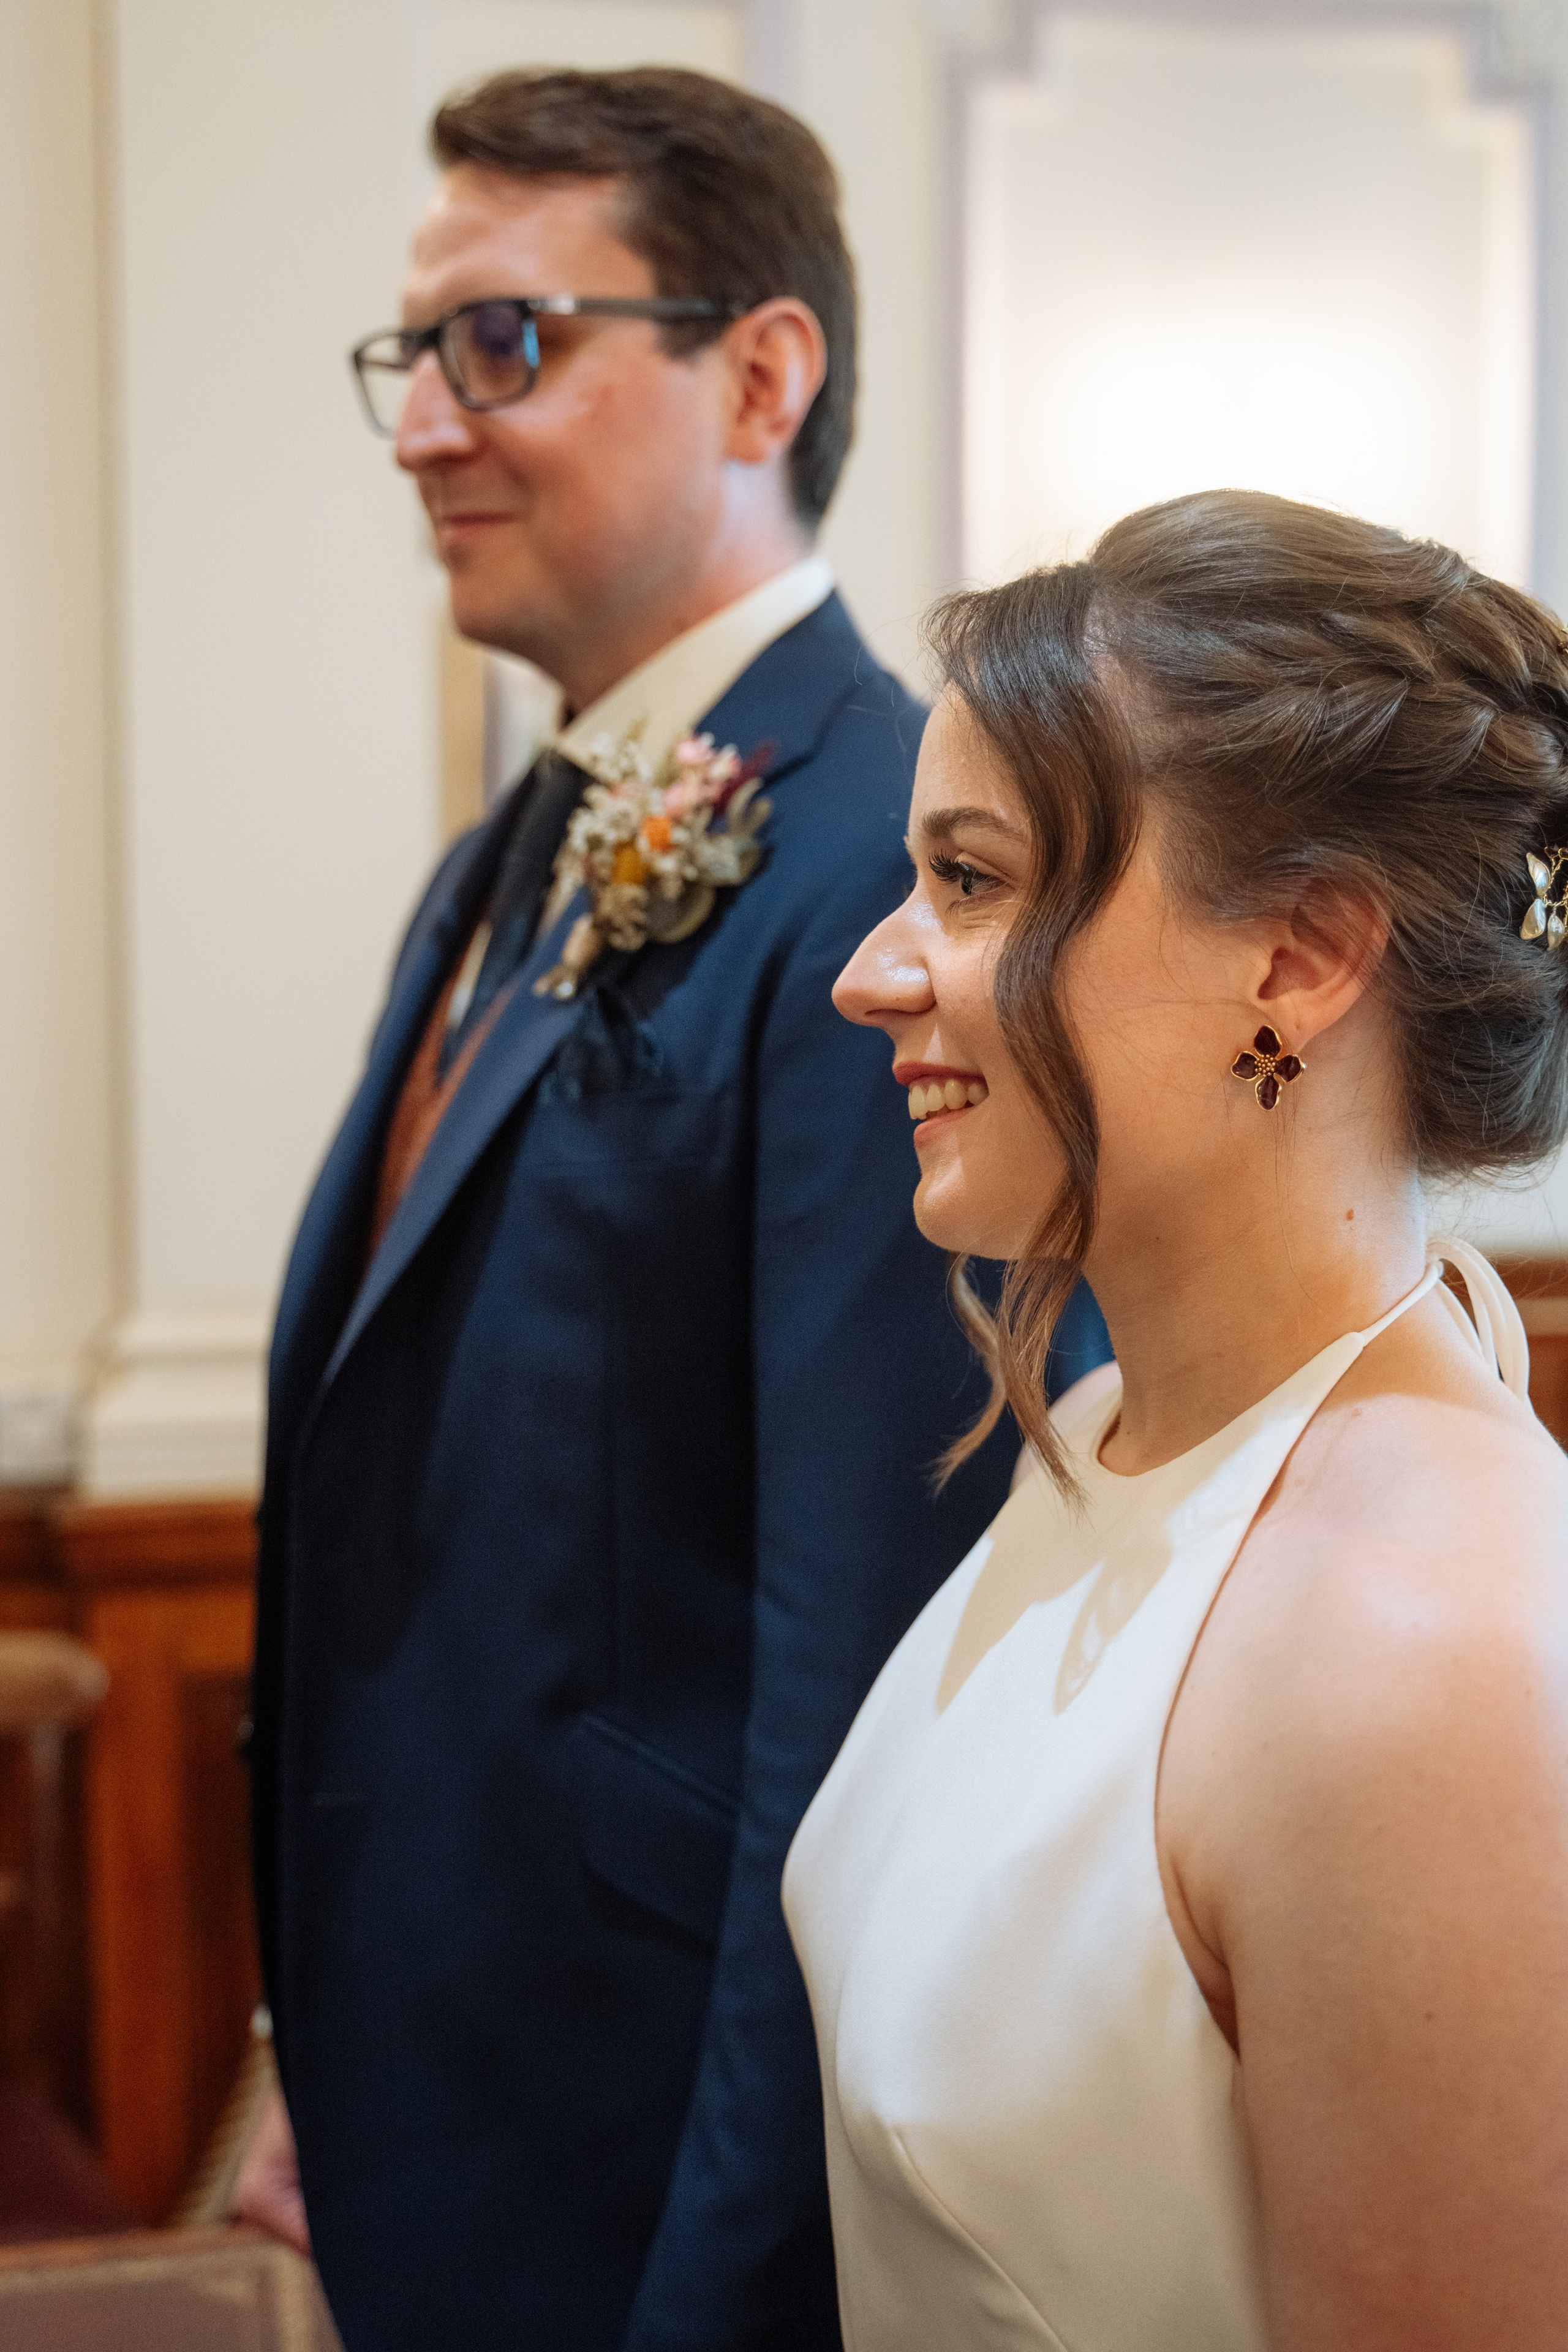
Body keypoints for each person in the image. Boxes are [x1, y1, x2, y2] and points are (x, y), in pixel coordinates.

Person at [236, 64, 1107, 2352]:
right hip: (442, 2093)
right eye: (409, 360)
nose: (425, 423)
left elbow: (870, 1702)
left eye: (502, 344)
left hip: (654, 2182)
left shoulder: (890, 883)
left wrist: (721, 2296)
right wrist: (302, 2037)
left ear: (761, 371)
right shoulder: (507, 855)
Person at [784, 489, 1568, 2351]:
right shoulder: (1123, 1429)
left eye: (970, 882)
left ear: (1294, 959)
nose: (869, 972)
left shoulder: (1417, 1662)